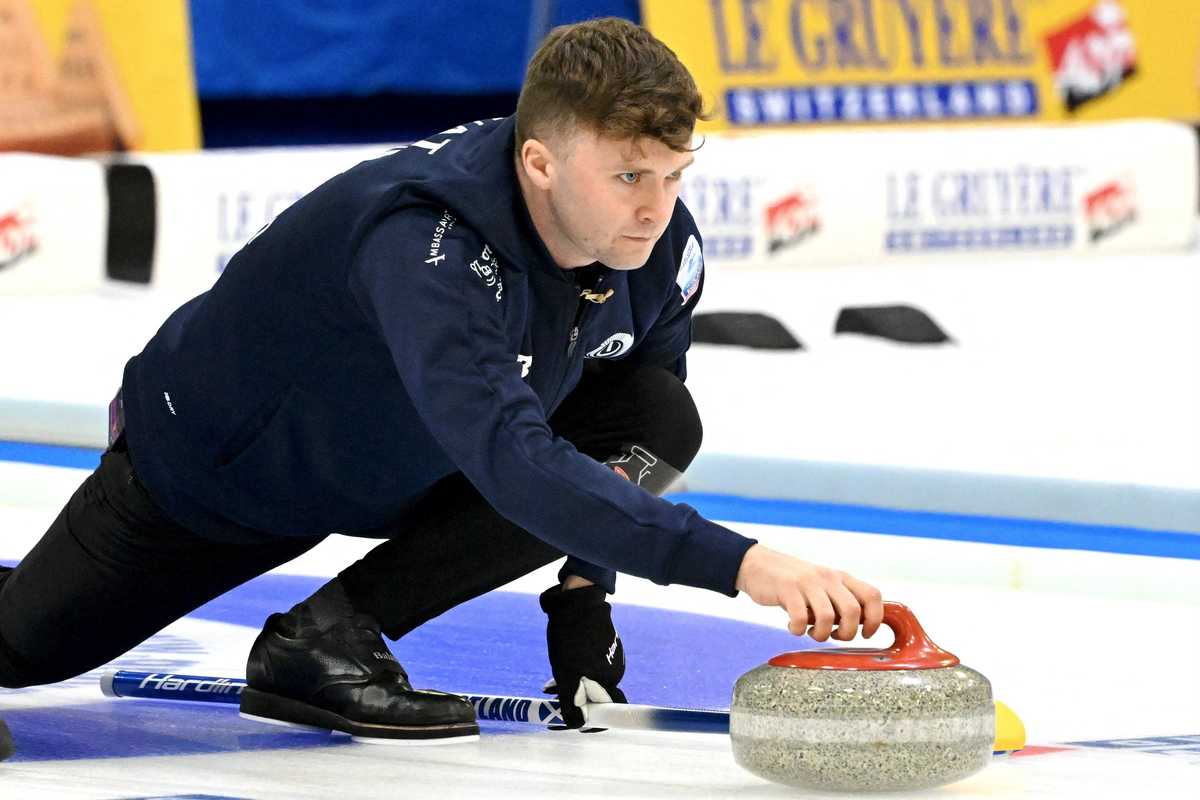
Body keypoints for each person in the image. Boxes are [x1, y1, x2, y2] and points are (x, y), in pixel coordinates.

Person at [0, 17, 883, 752]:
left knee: (656, 415)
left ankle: (330, 637)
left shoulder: (654, 248)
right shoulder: (430, 246)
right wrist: (742, 564)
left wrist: (584, 601)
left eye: (673, 174)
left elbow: (620, 433)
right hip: (221, 474)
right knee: (22, 649)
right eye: (628, 177)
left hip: (408, 457)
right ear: (539, 163)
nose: (656, 208)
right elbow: (514, 461)